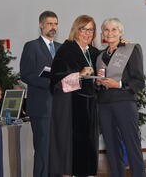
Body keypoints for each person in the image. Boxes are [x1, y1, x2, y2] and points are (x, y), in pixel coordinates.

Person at [49, 15, 100, 177]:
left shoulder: (93, 52)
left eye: (90, 30)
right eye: (83, 29)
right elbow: (56, 80)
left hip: (90, 106)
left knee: (89, 148)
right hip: (70, 106)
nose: (87, 33)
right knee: (69, 152)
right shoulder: (66, 50)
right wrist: (79, 74)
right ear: (76, 30)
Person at [96, 18, 146, 177]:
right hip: (104, 105)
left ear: (120, 32)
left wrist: (117, 84)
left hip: (124, 102)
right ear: (102, 33)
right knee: (111, 148)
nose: (110, 33)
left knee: (132, 146)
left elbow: (139, 81)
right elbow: (98, 85)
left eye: (114, 30)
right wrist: (98, 82)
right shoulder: (100, 56)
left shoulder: (131, 49)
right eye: (106, 30)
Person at [20, 11, 61, 177]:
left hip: (60, 107)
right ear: (41, 25)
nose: (53, 27)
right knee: (43, 151)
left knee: (57, 151)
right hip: (41, 107)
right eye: (50, 23)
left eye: (56, 24)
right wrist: (48, 82)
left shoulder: (60, 47)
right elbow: (25, 74)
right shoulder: (32, 46)